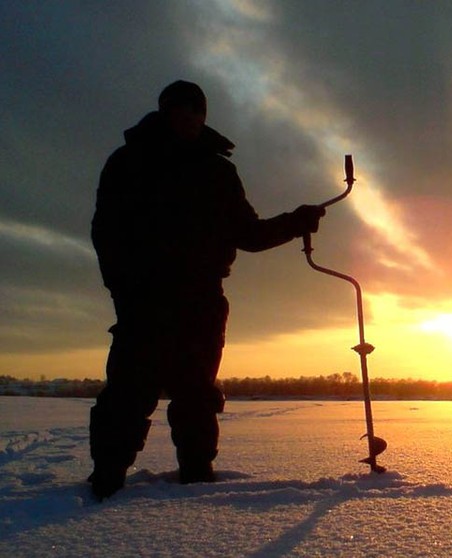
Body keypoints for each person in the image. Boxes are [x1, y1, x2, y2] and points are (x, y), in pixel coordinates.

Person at [88, 80, 325, 500]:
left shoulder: (218, 171)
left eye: (196, 111)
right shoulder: (128, 162)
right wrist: (123, 289)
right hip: (144, 301)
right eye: (180, 110)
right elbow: (106, 233)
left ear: (204, 115)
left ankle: (196, 482)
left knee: (196, 395)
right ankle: (105, 481)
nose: (190, 118)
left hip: (202, 301)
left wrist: (296, 221)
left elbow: (248, 234)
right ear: (165, 113)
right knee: (128, 392)